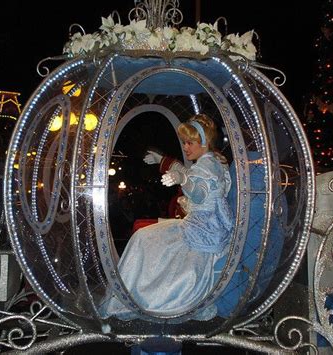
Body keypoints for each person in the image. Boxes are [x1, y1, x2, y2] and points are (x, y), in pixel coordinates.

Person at [99, 113, 233, 321]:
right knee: (144, 236)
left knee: (143, 238)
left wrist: (182, 179)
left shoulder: (208, 166)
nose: (186, 147)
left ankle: (136, 297)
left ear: (203, 143)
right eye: (184, 142)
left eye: (190, 143)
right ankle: (139, 294)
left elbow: (199, 192)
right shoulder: (210, 161)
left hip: (202, 229)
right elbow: (190, 174)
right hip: (198, 224)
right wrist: (164, 162)